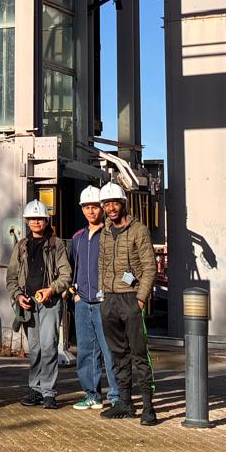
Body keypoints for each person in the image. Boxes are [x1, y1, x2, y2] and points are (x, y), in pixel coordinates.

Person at [94, 181, 159, 425]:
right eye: (106, 204)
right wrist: (102, 294)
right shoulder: (104, 233)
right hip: (109, 299)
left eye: (114, 203)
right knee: (117, 354)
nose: (110, 208)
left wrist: (140, 299)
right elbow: (102, 265)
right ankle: (124, 403)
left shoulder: (138, 230)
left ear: (123, 204)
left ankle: (148, 407)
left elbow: (149, 267)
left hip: (131, 298)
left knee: (139, 354)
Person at [6, 200, 72, 409]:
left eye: (40, 218)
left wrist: (51, 289)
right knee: (34, 349)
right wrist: (18, 296)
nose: (36, 222)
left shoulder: (57, 244)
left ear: (46, 220)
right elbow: (11, 277)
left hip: (50, 302)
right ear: (27, 221)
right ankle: (35, 390)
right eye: (32, 219)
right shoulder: (21, 246)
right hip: (29, 303)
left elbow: (66, 275)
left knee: (49, 346)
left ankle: (48, 392)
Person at [69, 185, 120, 414]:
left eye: (95, 207)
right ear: (81, 209)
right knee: (86, 351)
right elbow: (73, 267)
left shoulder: (110, 235)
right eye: (86, 207)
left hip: (104, 301)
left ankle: (116, 396)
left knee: (110, 351)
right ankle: (92, 395)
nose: (91, 211)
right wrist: (75, 295)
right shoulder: (77, 238)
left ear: (102, 208)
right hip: (83, 301)